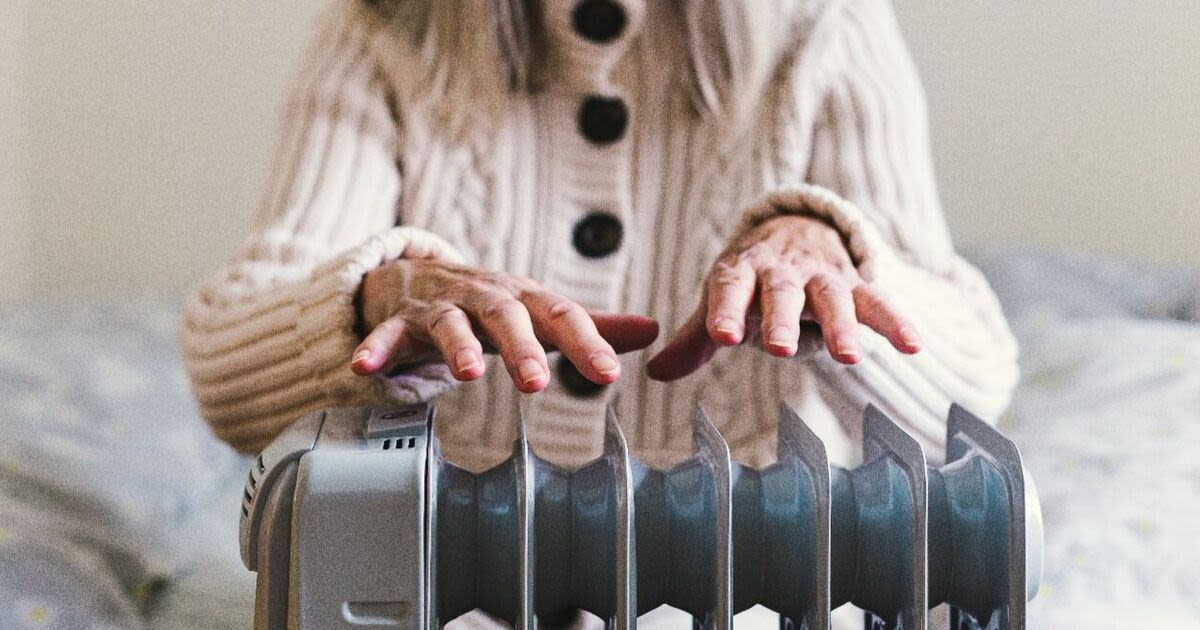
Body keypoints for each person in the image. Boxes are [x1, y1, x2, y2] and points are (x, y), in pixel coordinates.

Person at [181, 0, 1017, 481]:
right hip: (434, 585)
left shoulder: (825, 26)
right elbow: (227, 374)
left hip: (748, 586)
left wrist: (833, 258)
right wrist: (374, 301)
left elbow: (970, 405)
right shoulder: (385, 28)